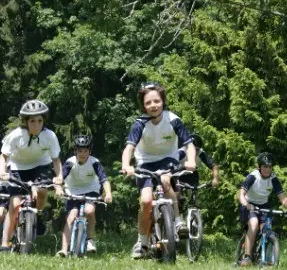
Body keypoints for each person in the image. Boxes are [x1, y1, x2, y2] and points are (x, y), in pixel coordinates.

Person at [121, 82, 196, 259]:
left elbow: (189, 145)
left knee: (165, 180)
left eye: (156, 101)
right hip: (145, 162)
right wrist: (126, 165)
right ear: (144, 106)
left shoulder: (173, 120)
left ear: (163, 101)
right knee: (146, 201)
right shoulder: (140, 123)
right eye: (148, 103)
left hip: (168, 159)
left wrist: (191, 160)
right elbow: (129, 148)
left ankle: (177, 223)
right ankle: (142, 242)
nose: (153, 105)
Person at [0, 99, 62, 251]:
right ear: (25, 121)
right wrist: (2, 172)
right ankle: (4, 243)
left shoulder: (50, 136)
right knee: (14, 204)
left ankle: (36, 214)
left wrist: (59, 178)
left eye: (40, 121)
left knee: (42, 190)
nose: (36, 125)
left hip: (41, 165)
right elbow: (3, 156)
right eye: (32, 121)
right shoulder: (16, 135)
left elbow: (56, 160)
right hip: (18, 167)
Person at [55, 135, 113, 256]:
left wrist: (108, 193)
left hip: (91, 190)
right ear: (75, 151)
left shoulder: (94, 162)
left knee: (89, 211)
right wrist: (58, 188)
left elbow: (104, 180)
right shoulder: (70, 163)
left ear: (90, 151)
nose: (82, 153)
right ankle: (64, 250)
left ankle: (90, 240)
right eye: (79, 150)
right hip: (73, 191)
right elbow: (60, 178)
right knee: (70, 217)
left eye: (85, 150)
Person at [237, 152, 287, 266]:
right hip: (249, 204)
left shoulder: (273, 178)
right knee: (254, 224)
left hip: (264, 206)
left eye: (269, 167)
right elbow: (241, 194)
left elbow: (282, 197)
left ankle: (267, 258)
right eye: (264, 166)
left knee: (267, 229)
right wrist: (247, 204)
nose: (267, 169)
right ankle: (247, 257)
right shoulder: (253, 176)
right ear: (259, 167)